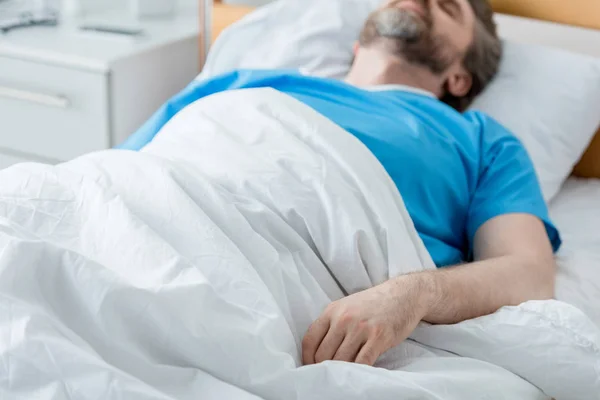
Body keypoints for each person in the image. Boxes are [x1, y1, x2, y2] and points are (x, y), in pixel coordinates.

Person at [120, 0, 561, 367]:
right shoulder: (243, 85)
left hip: (293, 289)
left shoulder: (482, 140)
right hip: (153, 229)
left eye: (445, 5)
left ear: (460, 77)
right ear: (356, 44)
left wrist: (413, 294)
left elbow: (529, 272)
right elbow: (120, 175)